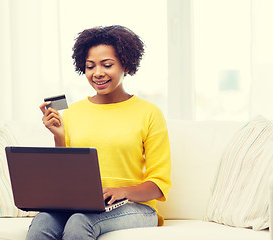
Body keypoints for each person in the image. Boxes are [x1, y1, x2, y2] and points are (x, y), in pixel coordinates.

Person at [27, 25, 171, 240]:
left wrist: (122, 190)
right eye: (90, 66)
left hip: (135, 206)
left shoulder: (149, 112)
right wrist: (58, 135)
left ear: (126, 65)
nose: (98, 73)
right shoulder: (73, 112)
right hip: (80, 203)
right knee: (42, 221)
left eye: (107, 65)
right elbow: (65, 175)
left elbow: (159, 184)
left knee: (79, 222)